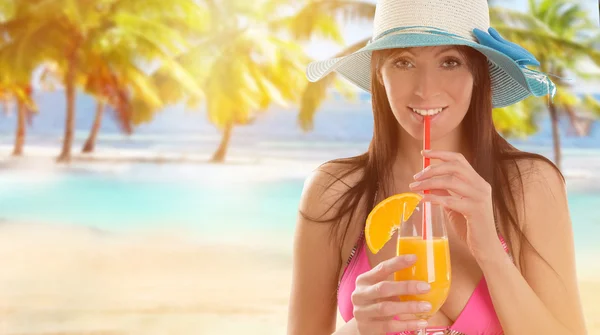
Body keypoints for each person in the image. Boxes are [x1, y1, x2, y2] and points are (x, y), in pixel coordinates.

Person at [287, 0, 588, 334]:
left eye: (450, 61)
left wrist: (490, 250)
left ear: (478, 72)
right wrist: (358, 330)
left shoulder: (530, 186)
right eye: (403, 61)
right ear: (378, 72)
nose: (425, 89)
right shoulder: (332, 192)